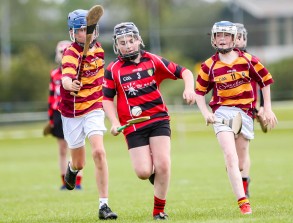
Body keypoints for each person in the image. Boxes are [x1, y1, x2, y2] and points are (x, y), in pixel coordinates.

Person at [102, 22, 195, 220]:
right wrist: (114, 121)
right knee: (143, 172)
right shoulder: (113, 69)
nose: (127, 45)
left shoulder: (152, 60)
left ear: (138, 40)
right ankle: (155, 176)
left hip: (158, 119)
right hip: (133, 126)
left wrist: (189, 88)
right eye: (122, 42)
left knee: (163, 165)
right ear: (116, 45)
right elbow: (106, 99)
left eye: (131, 41)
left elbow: (184, 72)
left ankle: (158, 211)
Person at [195, 21, 277, 215]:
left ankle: (237, 175)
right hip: (222, 113)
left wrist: (267, 108)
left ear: (233, 38)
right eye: (218, 36)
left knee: (240, 164)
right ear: (214, 39)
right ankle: (243, 202)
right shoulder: (209, 65)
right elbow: (199, 93)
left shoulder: (248, 60)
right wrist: (206, 113)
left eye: (226, 35)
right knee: (230, 156)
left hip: (245, 114)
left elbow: (265, 81)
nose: (222, 39)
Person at [58, 9, 117, 220]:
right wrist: (70, 84)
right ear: (73, 33)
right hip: (72, 112)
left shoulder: (99, 51)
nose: (86, 34)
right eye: (81, 30)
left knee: (99, 152)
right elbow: (66, 77)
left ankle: (104, 205)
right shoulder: (71, 53)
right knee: (80, 163)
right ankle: (72, 169)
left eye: (89, 29)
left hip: (93, 108)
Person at [235, 23, 268, 198]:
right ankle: (239, 179)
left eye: (241, 37)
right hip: (227, 111)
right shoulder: (221, 61)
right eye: (236, 36)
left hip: (249, 110)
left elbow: (263, 84)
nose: (238, 40)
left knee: (243, 151)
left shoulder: (251, 60)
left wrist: (262, 106)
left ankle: (244, 182)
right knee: (232, 155)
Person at [45, 40, 82, 190]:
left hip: (72, 110)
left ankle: (77, 181)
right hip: (57, 113)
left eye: (66, 51)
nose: (63, 54)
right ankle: (64, 181)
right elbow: (51, 96)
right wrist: (50, 119)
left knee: (76, 146)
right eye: (61, 52)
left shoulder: (76, 73)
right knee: (62, 149)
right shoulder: (54, 74)